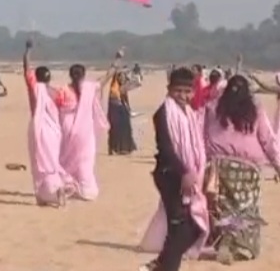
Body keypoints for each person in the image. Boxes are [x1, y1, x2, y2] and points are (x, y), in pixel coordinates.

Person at [201, 75, 280, 263]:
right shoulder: (256, 110)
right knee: (246, 208)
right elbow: (268, 141)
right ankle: (241, 245)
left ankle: (221, 242)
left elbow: (203, 136)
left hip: (219, 167)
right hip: (248, 171)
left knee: (221, 207)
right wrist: (278, 165)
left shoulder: (213, 108)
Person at [139, 67, 210, 271]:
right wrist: (185, 172)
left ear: (193, 92)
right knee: (180, 227)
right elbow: (166, 148)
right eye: (178, 91)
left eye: (187, 91)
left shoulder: (189, 113)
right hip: (169, 175)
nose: (183, 96)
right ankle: (166, 266)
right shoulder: (163, 113)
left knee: (193, 227)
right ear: (169, 89)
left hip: (188, 177)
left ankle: (160, 264)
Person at [58, 51, 120, 200]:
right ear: (84, 75)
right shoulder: (89, 87)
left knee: (66, 158)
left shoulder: (63, 90)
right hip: (84, 131)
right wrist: (117, 60)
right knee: (85, 160)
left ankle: (67, 183)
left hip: (67, 129)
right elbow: (106, 77)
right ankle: (84, 187)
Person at [23, 40, 74, 206]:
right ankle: (57, 187)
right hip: (54, 132)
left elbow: (26, 69)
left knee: (39, 163)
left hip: (38, 129)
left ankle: (46, 194)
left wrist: (28, 51)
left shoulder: (34, 88)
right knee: (52, 162)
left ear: (36, 77)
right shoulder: (57, 92)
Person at [107, 72, 137, 155]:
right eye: (120, 77)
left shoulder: (122, 87)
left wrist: (128, 109)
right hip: (114, 110)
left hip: (122, 109)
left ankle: (125, 148)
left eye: (123, 77)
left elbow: (125, 99)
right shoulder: (113, 87)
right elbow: (112, 100)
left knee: (126, 128)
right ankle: (113, 148)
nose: (122, 79)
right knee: (115, 130)